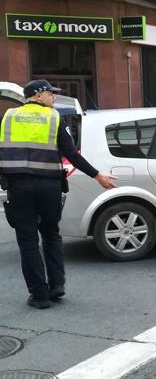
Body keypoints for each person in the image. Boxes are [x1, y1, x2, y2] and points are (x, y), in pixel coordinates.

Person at [0, 79, 117, 309]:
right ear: (38, 95)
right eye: (50, 94)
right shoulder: (54, 118)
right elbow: (71, 154)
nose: (53, 98)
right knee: (51, 235)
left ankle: (39, 295)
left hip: (18, 188)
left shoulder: (8, 117)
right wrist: (97, 175)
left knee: (28, 242)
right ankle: (56, 285)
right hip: (48, 188)